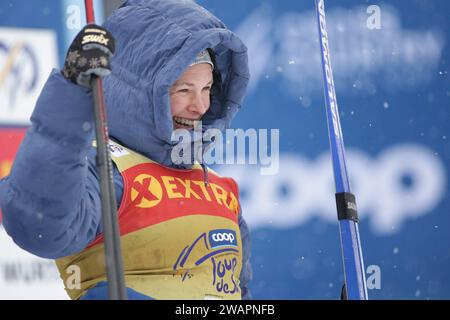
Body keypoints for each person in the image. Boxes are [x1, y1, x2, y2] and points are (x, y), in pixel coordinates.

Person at [0, 0, 252, 300]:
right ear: (140, 90)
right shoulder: (106, 171)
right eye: (184, 89)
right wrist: (72, 92)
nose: (200, 106)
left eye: (207, 89)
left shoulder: (221, 188)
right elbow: (40, 227)